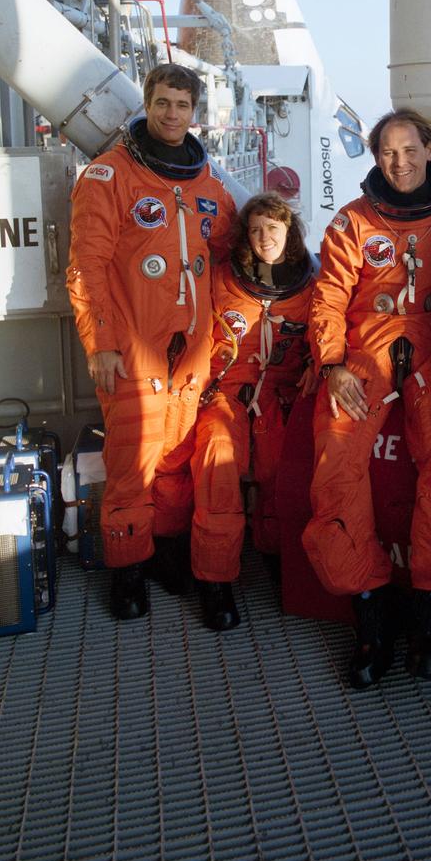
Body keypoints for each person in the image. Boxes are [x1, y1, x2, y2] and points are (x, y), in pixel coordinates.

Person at [303, 109, 431, 688]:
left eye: (409, 149)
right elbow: (328, 298)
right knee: (336, 465)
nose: (398, 163)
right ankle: (370, 609)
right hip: (365, 350)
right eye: (386, 152)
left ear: (429, 147)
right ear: (375, 156)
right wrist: (331, 364)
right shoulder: (353, 222)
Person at [67, 63, 235, 620]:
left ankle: (161, 553)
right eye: (162, 103)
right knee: (131, 465)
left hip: (192, 351)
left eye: (182, 106)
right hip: (134, 349)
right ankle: (127, 571)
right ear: (146, 104)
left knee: (175, 463)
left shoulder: (210, 187)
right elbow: (86, 268)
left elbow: (232, 264)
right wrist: (102, 344)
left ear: (195, 114)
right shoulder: (109, 177)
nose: (171, 115)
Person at [159, 193, 317, 631]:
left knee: (278, 474)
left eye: (274, 227)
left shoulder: (311, 284)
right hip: (225, 395)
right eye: (256, 229)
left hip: (278, 397)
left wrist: (317, 365)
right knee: (217, 470)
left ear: (290, 231)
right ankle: (215, 580)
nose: (265, 237)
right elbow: (191, 328)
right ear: (245, 237)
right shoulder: (221, 280)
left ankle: (275, 555)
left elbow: (328, 331)